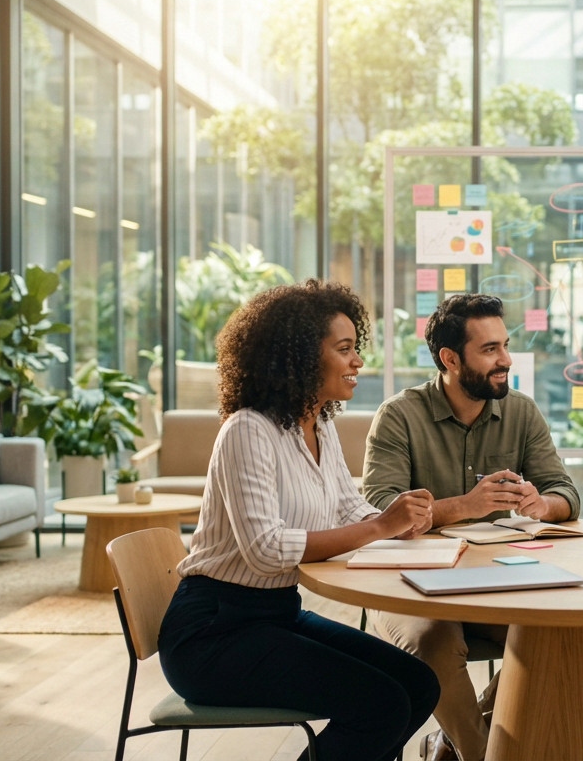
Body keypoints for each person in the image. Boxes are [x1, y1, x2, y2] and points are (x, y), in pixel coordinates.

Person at [157, 279, 439, 761]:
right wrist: (380, 527)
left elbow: (347, 510)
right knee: (382, 704)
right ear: (302, 356)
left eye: (357, 348)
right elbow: (265, 550)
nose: (358, 362)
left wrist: (400, 522)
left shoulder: (320, 425)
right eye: (345, 349)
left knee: (418, 683)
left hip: (276, 615)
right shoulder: (247, 429)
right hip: (213, 634)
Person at [362, 293, 580, 761]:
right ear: (449, 358)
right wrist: (461, 506)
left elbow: (566, 492)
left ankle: (454, 740)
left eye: (505, 346)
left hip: (498, 578)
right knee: (432, 642)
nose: (505, 360)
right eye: (490, 350)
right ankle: (480, 754)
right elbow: (379, 510)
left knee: (564, 633)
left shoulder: (520, 412)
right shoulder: (399, 416)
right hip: (409, 585)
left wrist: (542, 505)